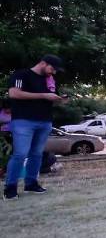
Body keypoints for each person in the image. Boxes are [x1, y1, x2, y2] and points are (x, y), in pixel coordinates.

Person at [4, 55, 67, 200]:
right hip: (23, 121)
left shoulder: (48, 80)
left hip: (44, 121)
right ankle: (10, 188)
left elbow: (48, 99)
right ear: (43, 63)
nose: (54, 72)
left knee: (37, 154)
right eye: (53, 68)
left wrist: (58, 100)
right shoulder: (21, 75)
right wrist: (44, 96)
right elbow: (14, 93)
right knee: (20, 154)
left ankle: (31, 183)